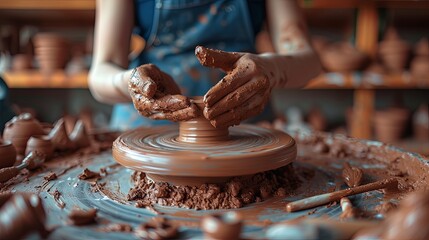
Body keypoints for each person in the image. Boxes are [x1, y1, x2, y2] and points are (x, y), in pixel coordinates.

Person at [89, 0, 321, 130]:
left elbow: (309, 61)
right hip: (148, 128)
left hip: (241, 124)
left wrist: (272, 70)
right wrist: (131, 83)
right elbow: (101, 71)